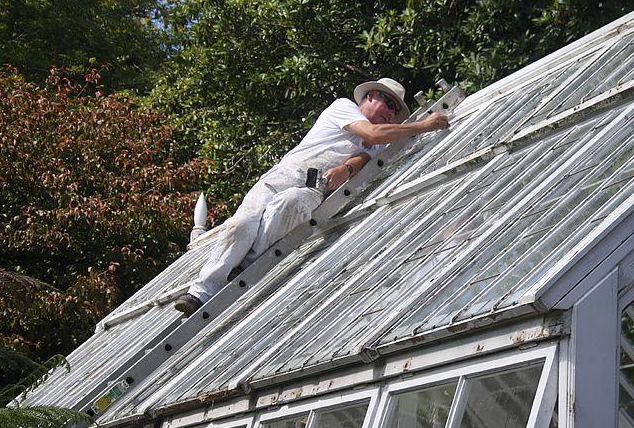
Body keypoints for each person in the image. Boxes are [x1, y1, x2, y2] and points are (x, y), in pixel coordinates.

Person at [174, 77, 450, 316]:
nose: (391, 113)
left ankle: (242, 268)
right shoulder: (345, 108)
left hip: (313, 189)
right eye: (388, 104)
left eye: (396, 111)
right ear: (370, 96)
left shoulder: (386, 137)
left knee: (290, 205)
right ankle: (201, 292)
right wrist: (424, 125)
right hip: (282, 175)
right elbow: (372, 134)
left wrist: (346, 167)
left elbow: (366, 157)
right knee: (239, 225)